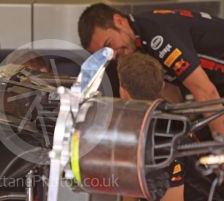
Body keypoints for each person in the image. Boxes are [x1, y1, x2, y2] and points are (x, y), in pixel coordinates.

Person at [78, 3, 224, 138]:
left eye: (109, 44)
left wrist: (219, 150)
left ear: (119, 21)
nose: (112, 55)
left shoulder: (156, 35)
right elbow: (176, 100)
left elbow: (205, 92)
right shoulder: (138, 44)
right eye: (105, 54)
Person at [117, 51, 224, 201]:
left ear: (123, 92)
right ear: (161, 85)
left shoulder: (160, 138)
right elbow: (131, 170)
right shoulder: (143, 121)